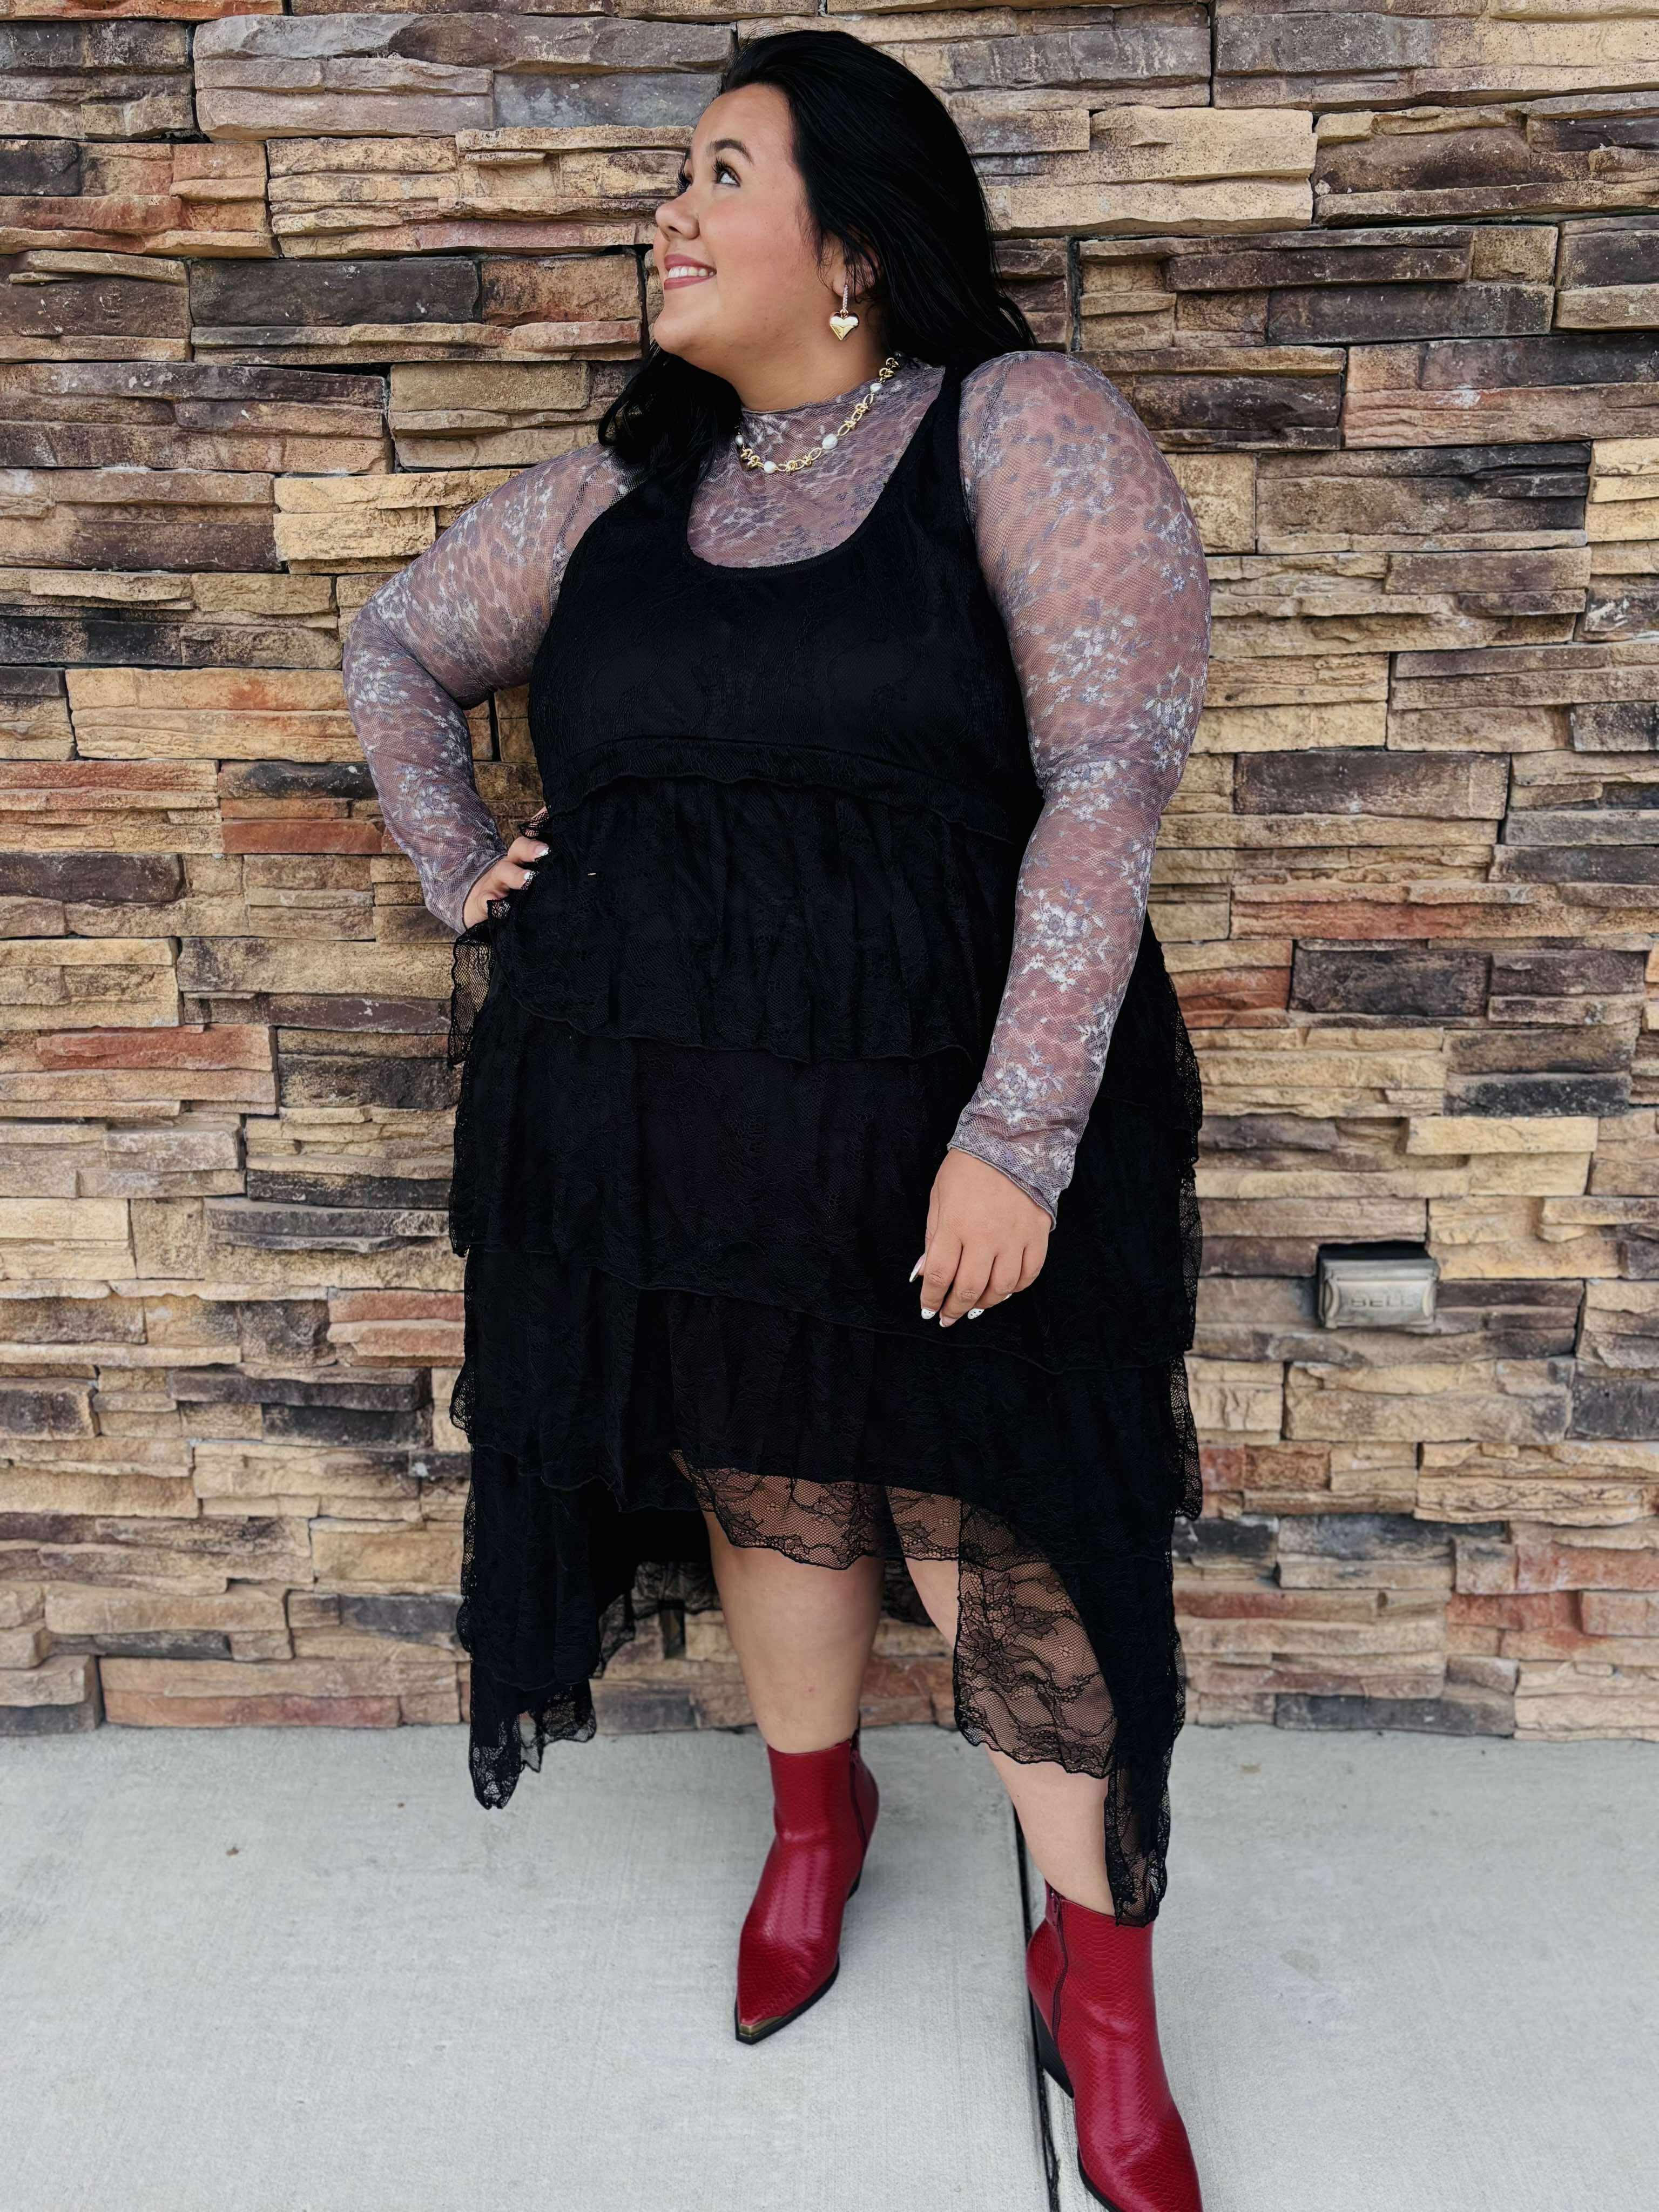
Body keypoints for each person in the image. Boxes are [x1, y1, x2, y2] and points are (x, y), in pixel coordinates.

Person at [344, 29, 1211, 2209]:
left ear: (854, 242)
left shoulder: (1019, 427)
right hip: (679, 1141)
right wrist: (458, 861)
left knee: (1013, 1523)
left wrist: (1020, 1134)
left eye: (721, 170)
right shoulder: (617, 494)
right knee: (771, 1479)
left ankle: (1102, 1987)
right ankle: (814, 1824)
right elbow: (397, 646)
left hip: (960, 1130)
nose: (669, 209)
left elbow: (1107, 783)